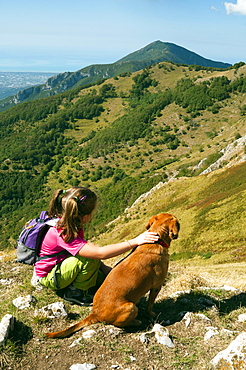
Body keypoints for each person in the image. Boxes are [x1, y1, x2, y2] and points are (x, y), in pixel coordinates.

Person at [32, 186, 159, 305]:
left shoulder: (68, 222)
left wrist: (112, 273)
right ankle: (76, 293)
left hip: (61, 267)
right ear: (86, 216)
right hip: (50, 276)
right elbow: (100, 253)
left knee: (105, 280)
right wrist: (135, 241)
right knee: (90, 255)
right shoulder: (63, 232)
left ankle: (82, 286)